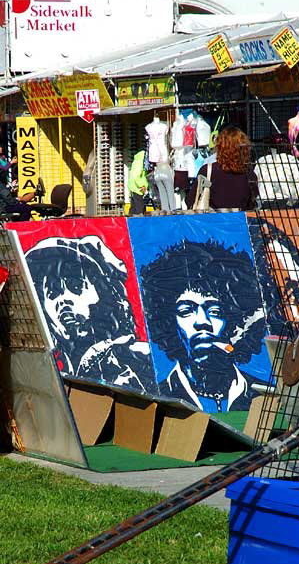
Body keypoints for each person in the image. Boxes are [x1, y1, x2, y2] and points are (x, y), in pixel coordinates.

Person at [139, 239, 267, 412]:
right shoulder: (158, 399)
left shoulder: (263, 396)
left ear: (235, 320)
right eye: (186, 311)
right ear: (168, 323)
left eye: (214, 311)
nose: (202, 322)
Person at [25, 235, 154, 392]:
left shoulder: (141, 360)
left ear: (105, 293)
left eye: (75, 287)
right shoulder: (44, 370)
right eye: (53, 292)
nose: (64, 300)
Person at [186, 126, 258, 210]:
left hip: (213, 220)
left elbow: (190, 200)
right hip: (239, 220)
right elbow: (252, 203)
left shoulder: (208, 170)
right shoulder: (249, 174)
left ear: (220, 146)